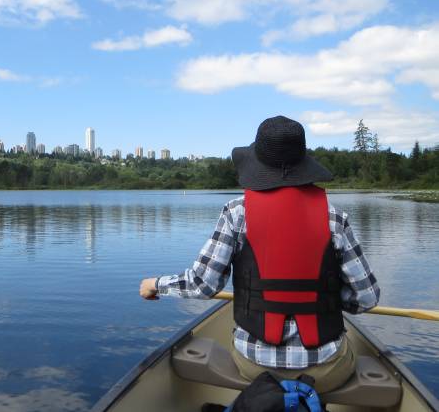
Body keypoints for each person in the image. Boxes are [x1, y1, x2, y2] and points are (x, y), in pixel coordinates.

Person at [139, 116, 380, 393]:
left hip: (254, 364)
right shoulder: (335, 218)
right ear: (303, 163)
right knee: (338, 355)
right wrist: (325, 299)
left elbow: (203, 285)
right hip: (325, 368)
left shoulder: (236, 213)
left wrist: (155, 285)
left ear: (258, 164)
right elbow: (367, 298)